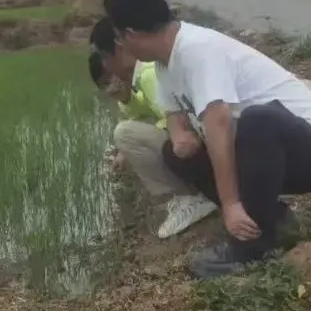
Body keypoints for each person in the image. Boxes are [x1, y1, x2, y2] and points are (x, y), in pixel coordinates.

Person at [101, 0, 311, 279]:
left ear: (132, 33)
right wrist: (181, 138)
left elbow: (219, 123)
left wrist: (231, 204)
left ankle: (252, 249)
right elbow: (175, 117)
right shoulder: (166, 63)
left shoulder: (196, 50)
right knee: (177, 153)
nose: (120, 46)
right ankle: (274, 219)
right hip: (267, 152)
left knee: (255, 121)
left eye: (118, 38)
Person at [88, 18, 217, 239]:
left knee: (125, 133)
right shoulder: (136, 83)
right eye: (105, 85)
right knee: (127, 136)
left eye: (109, 68)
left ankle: (191, 198)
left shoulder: (147, 75)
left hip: (201, 142)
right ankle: (191, 196)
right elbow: (137, 113)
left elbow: (173, 117)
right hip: (203, 139)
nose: (111, 85)